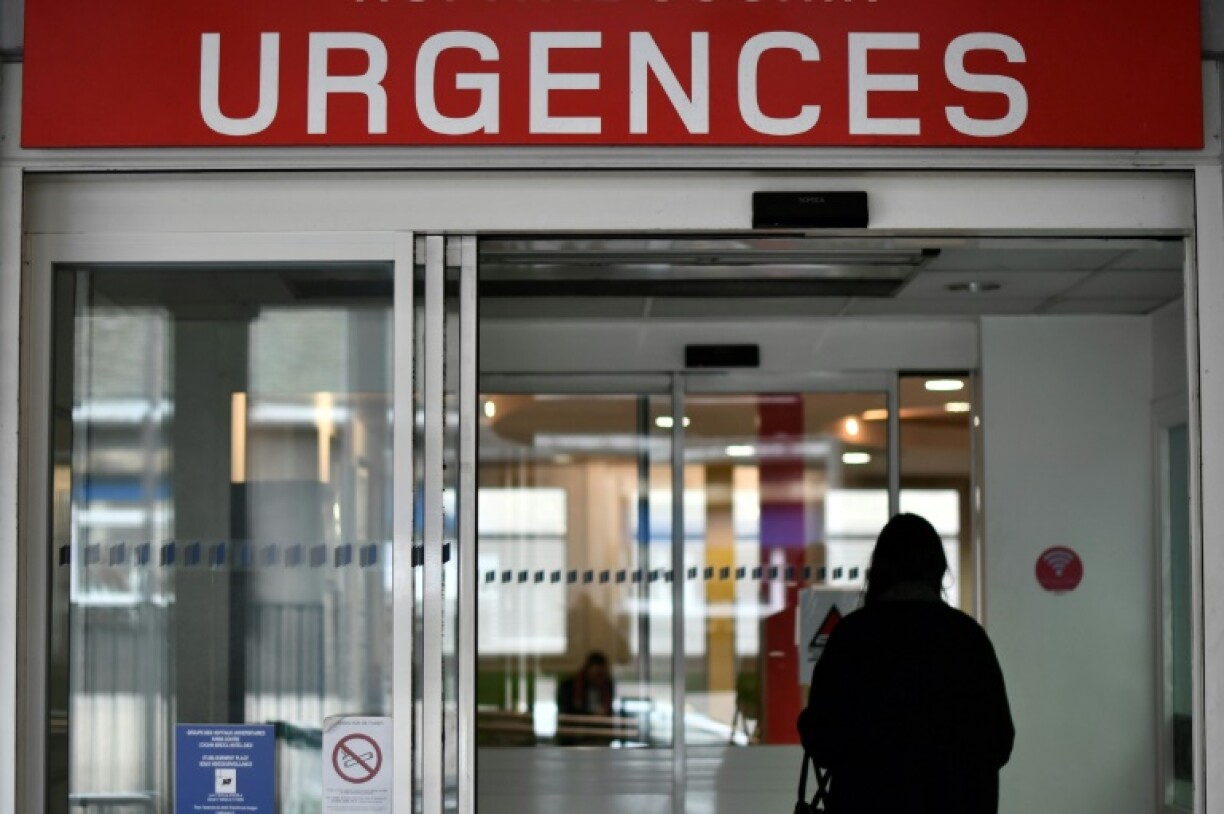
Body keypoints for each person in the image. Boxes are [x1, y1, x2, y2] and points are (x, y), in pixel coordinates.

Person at [797, 513, 1014, 814]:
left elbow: (824, 741)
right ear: (938, 569)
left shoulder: (852, 637)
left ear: (880, 570)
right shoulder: (967, 639)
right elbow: (999, 741)